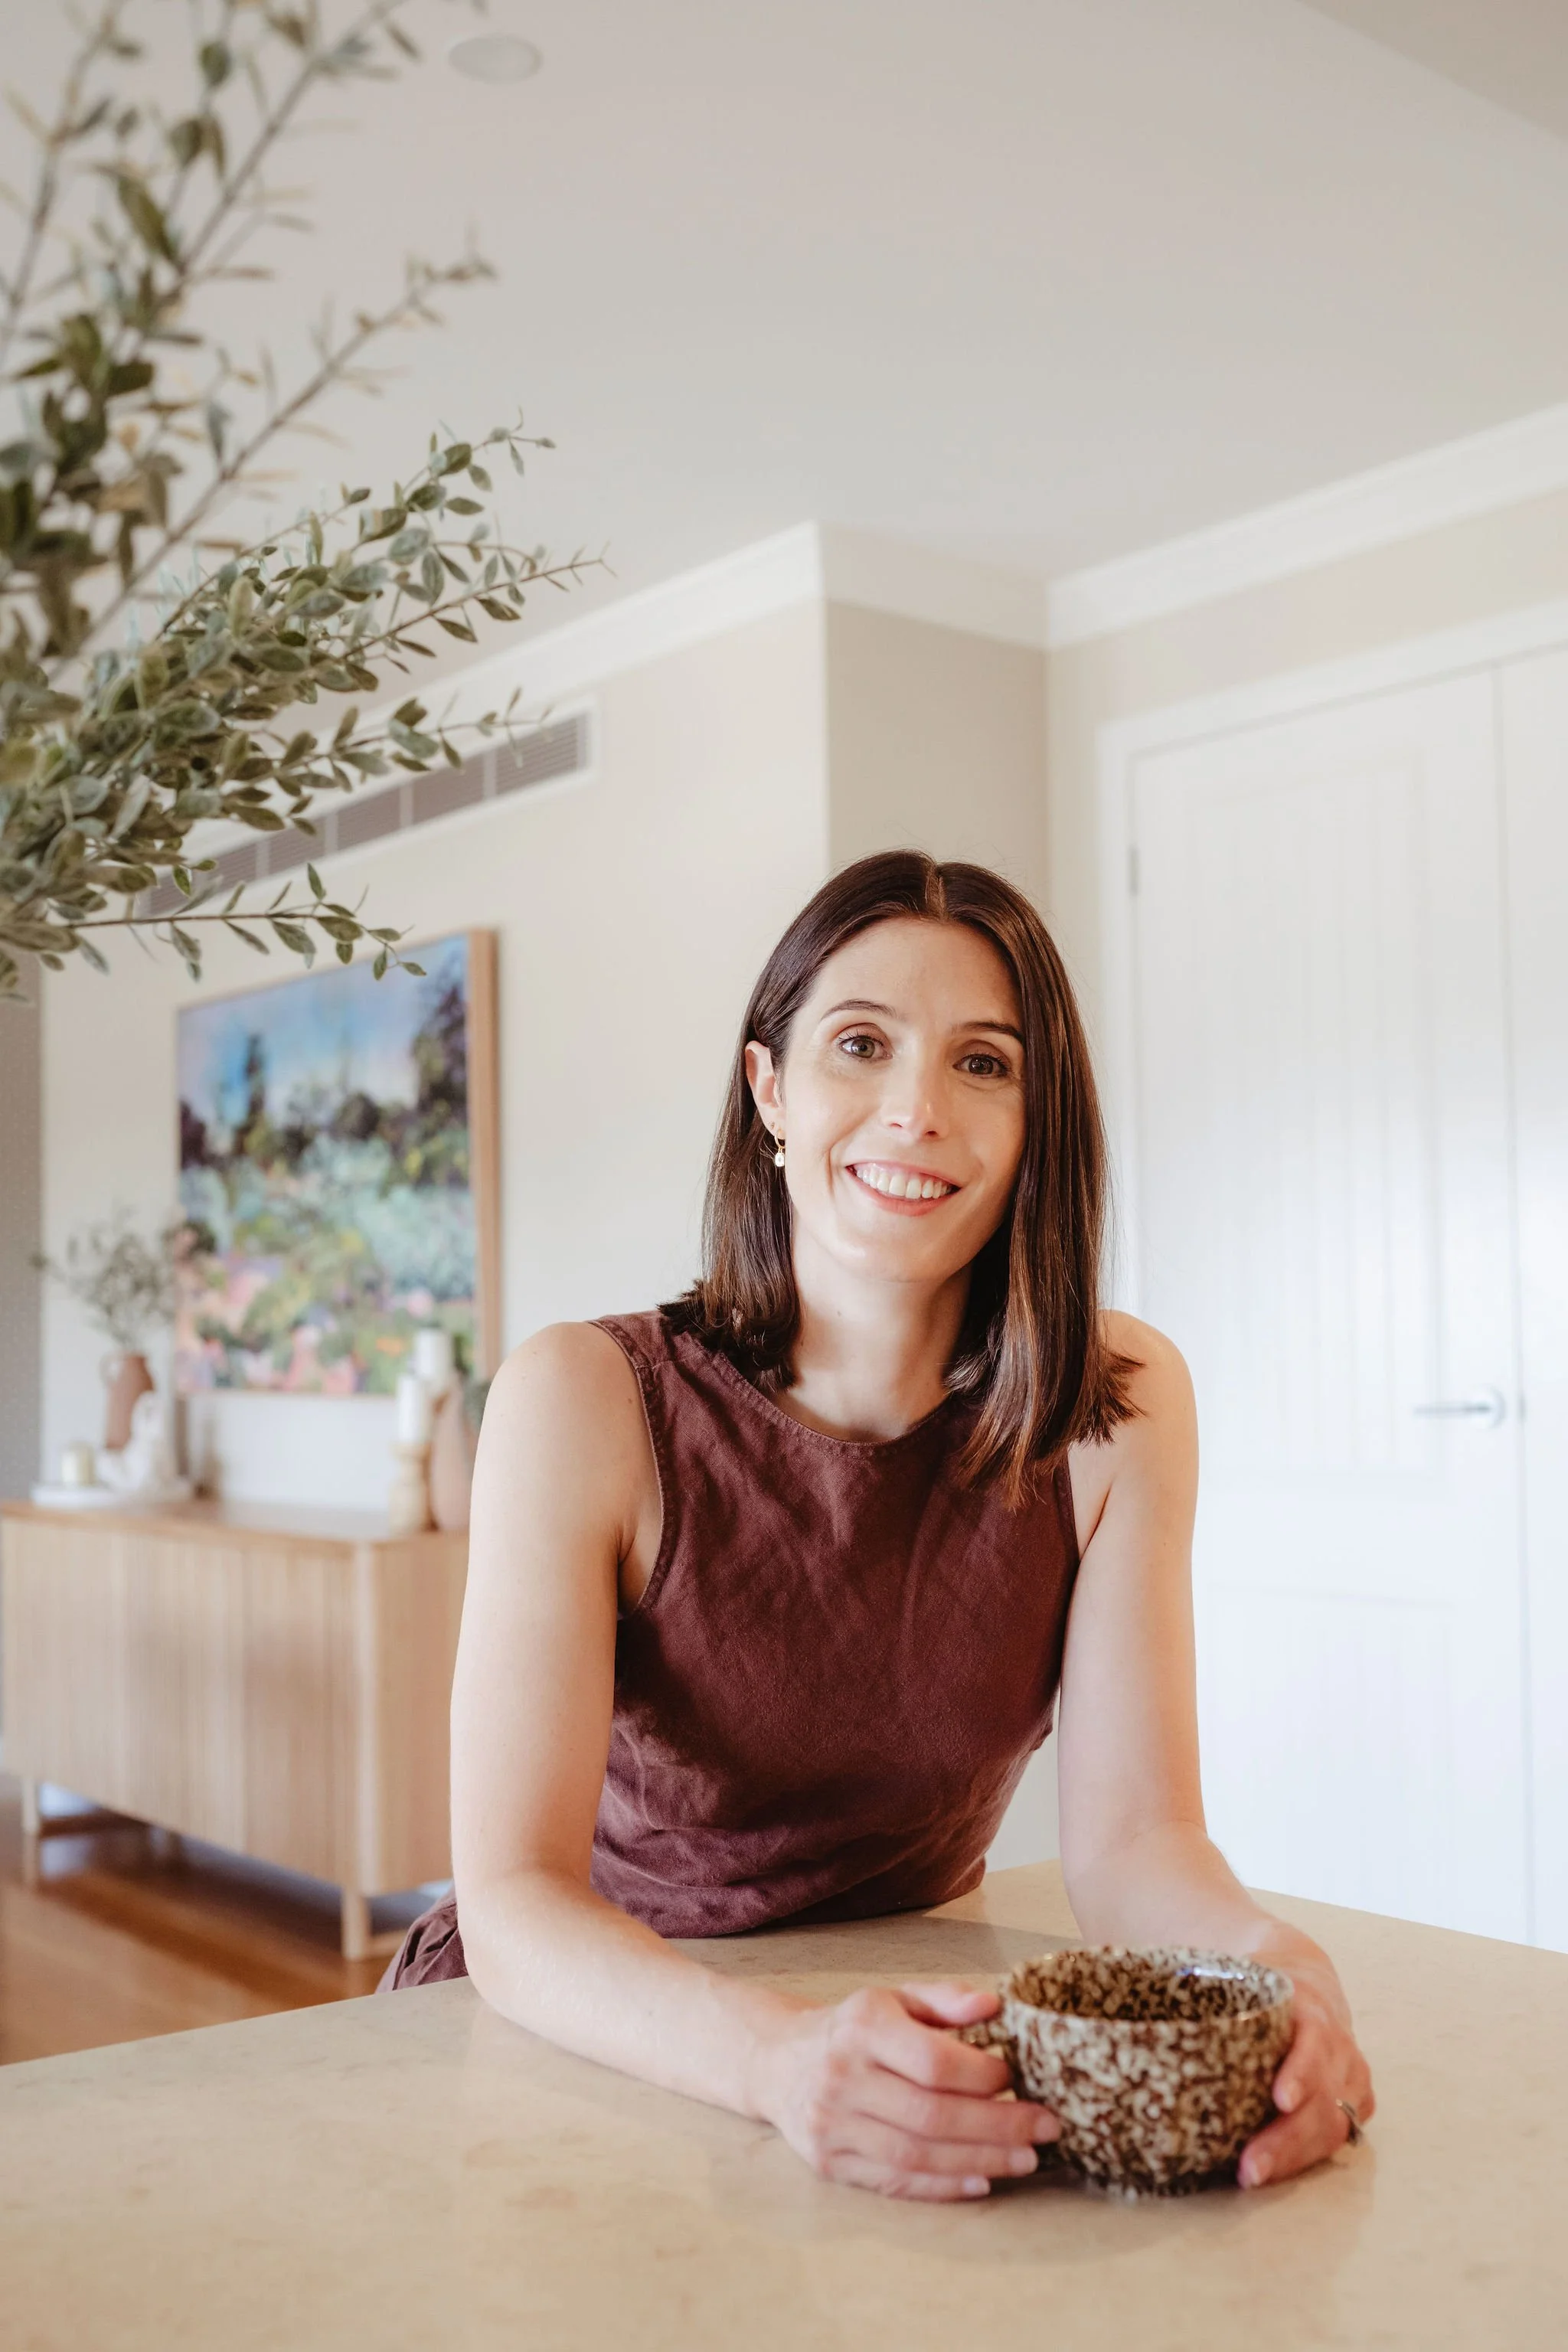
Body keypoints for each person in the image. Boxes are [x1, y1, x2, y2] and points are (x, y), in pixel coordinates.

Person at [386, 850, 1374, 2202]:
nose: (916, 1110)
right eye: (861, 1044)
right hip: (594, 2040)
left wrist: (1281, 1970)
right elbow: (512, 1900)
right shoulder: (583, 1399)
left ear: (1039, 1121)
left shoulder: (1120, 1410)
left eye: (985, 1063)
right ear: (770, 1092)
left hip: (895, 2038)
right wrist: (777, 2064)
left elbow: (1139, 1845)